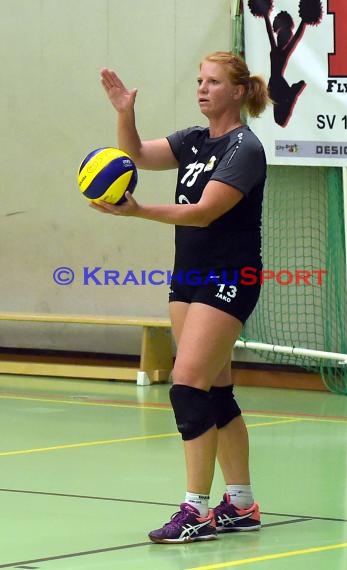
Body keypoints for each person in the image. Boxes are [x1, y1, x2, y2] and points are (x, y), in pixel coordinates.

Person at [93, 51, 270, 544]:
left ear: (237, 92)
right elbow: (137, 157)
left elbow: (206, 212)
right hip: (188, 276)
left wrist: (138, 212)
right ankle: (240, 504)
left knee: (187, 384)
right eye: (198, 80)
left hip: (229, 277)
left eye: (213, 81)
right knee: (216, 391)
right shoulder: (194, 141)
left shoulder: (244, 148)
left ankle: (195, 510)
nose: (202, 88)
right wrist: (124, 112)